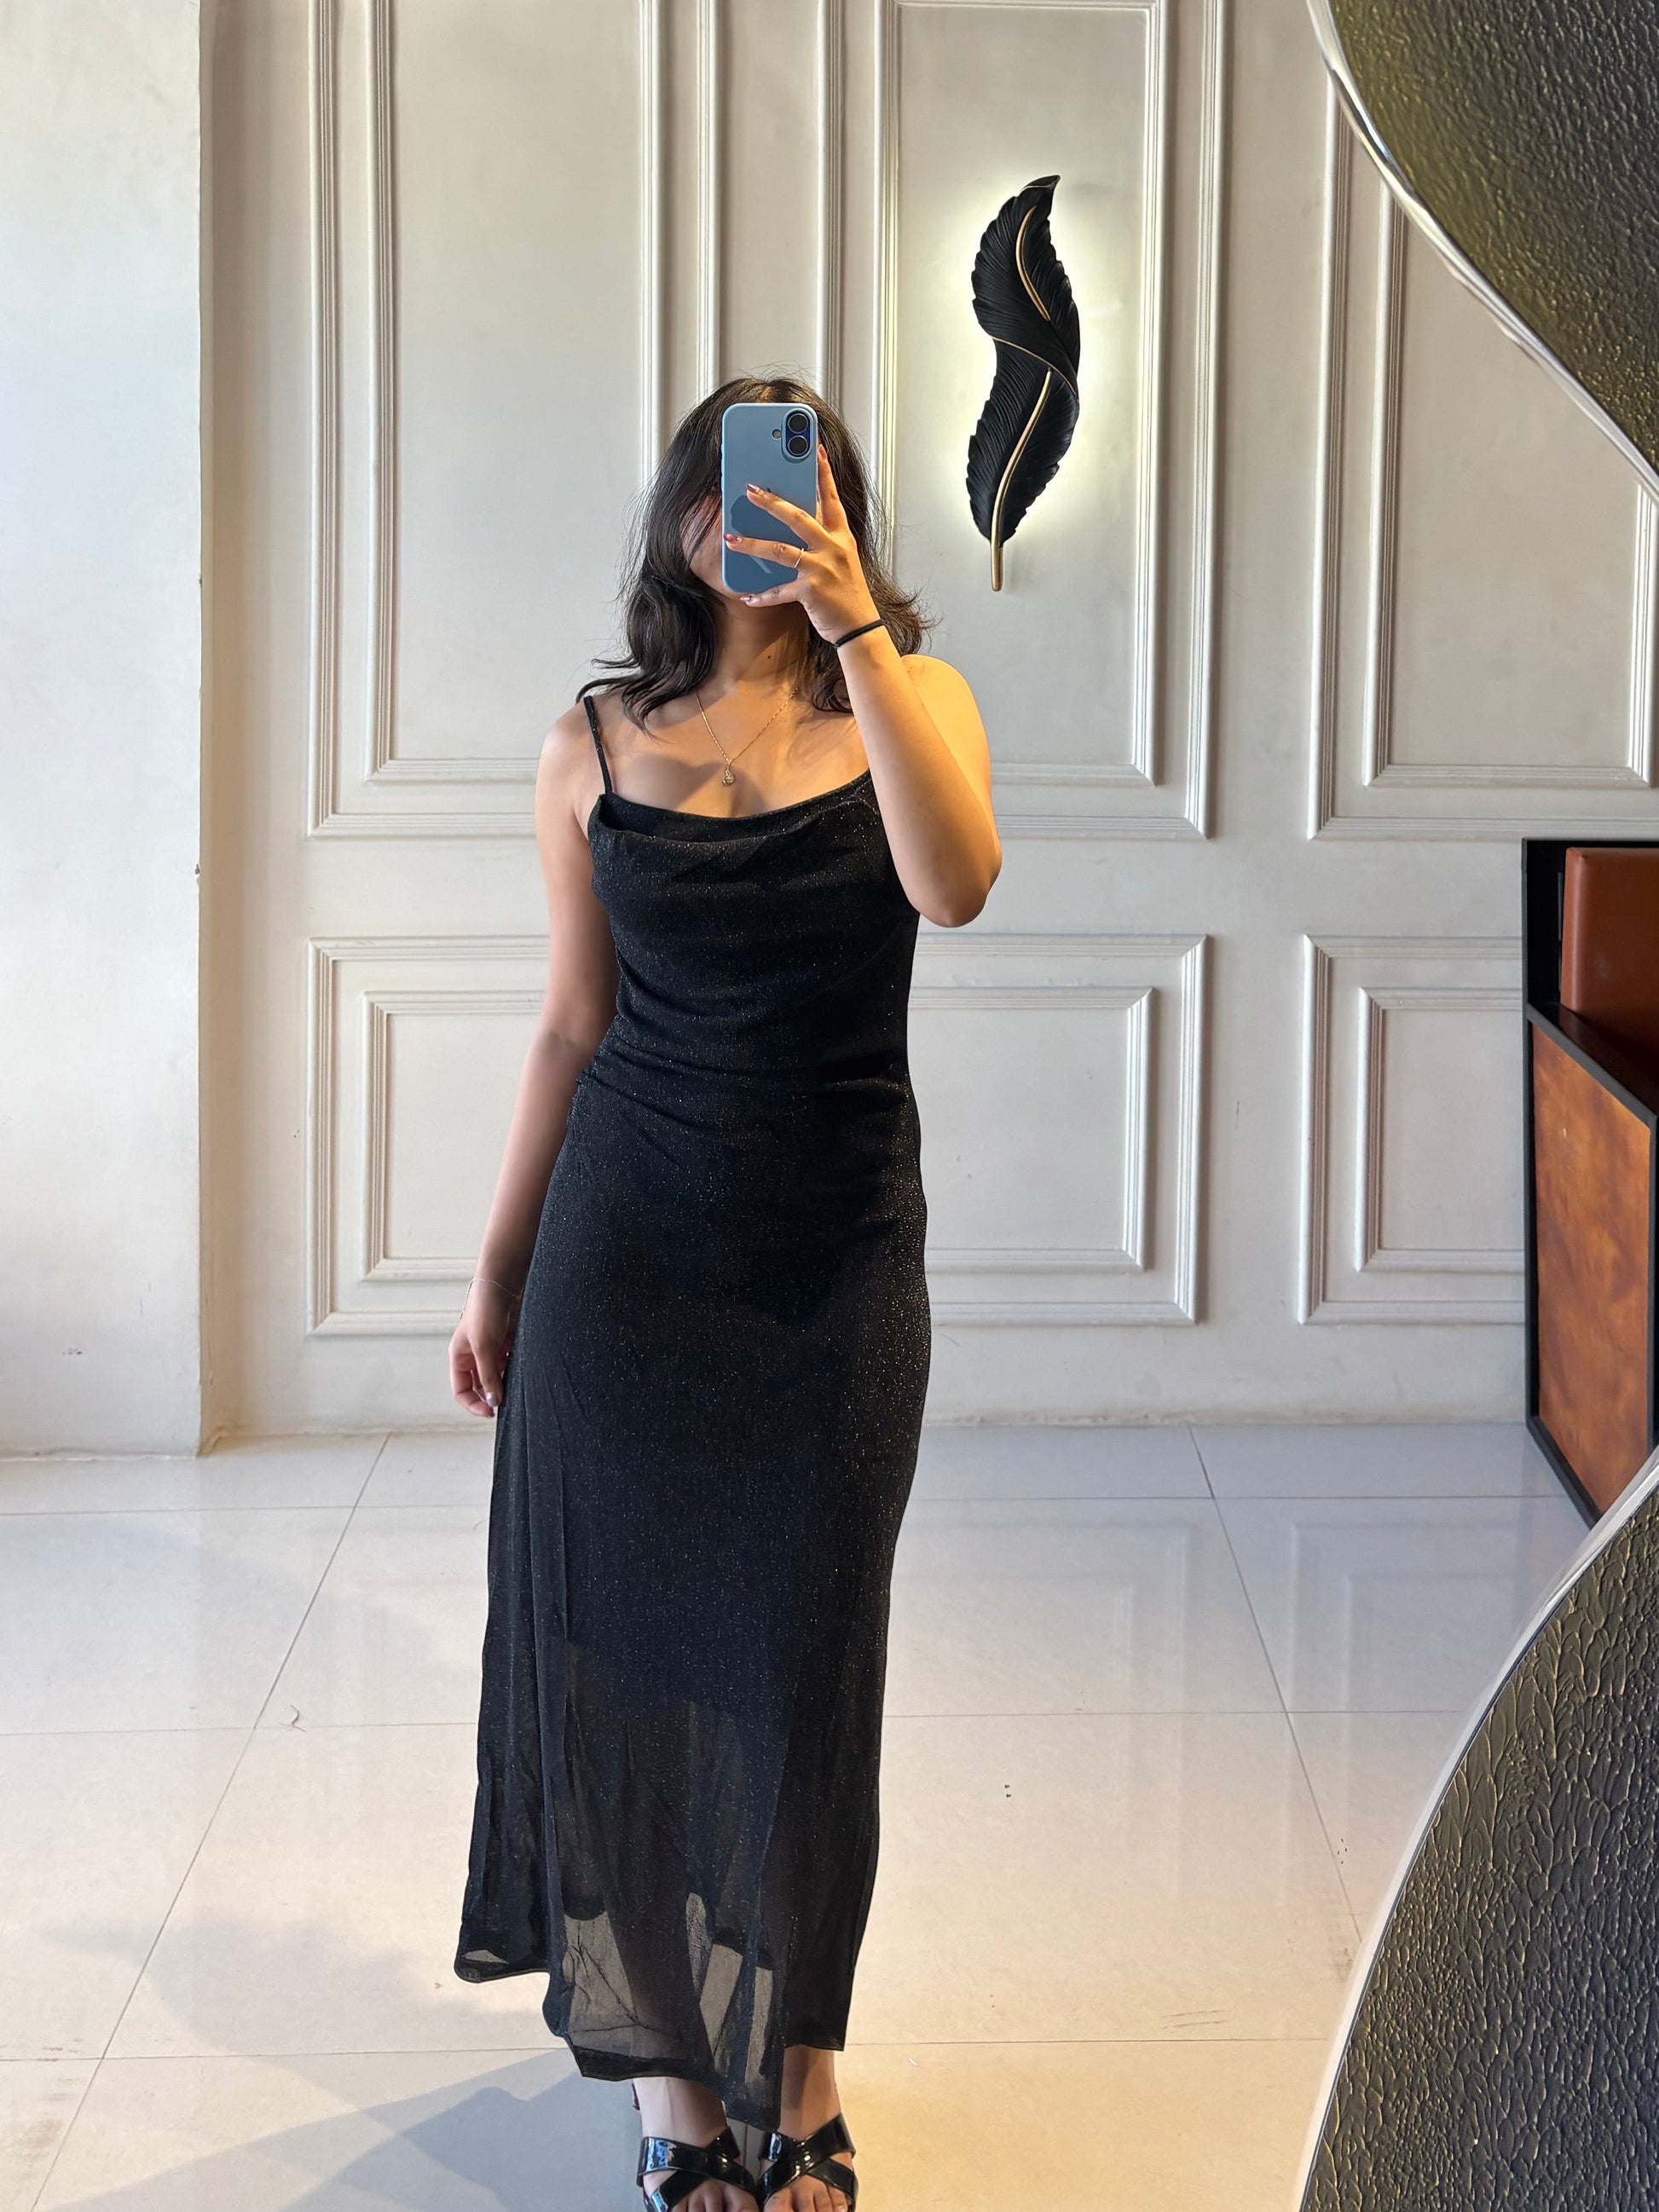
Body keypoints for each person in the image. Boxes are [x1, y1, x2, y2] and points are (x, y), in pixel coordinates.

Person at [448, 373, 1001, 2212]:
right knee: (619, 1668)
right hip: (624, 1260)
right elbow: (569, 1024)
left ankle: (803, 2065)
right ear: (682, 516)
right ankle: (677, 2093)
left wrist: (851, 632)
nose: (757, 517)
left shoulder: (911, 703)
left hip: (835, 1262)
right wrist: (499, 1267)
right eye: (730, 487)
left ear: (834, 507)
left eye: (798, 483)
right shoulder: (591, 741)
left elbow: (954, 886)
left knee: (802, 1669)